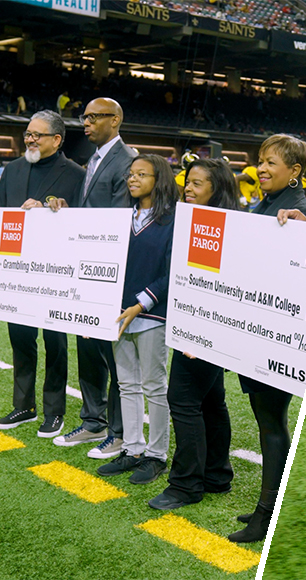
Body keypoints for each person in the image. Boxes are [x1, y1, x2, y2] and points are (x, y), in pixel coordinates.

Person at [228, 134, 306, 544]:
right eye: (260, 161)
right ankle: (268, 504)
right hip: (258, 333)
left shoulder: (297, 212)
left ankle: (266, 514)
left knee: (272, 424)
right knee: (266, 422)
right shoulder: (265, 204)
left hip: (276, 338)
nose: (261, 169)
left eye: (272, 163)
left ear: (295, 172)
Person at [149, 158, 243, 510]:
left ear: (215, 190)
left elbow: (220, 285)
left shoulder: (218, 224)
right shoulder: (201, 220)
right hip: (197, 327)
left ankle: (186, 485)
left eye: (198, 184)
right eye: (188, 182)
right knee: (211, 400)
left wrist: (200, 331)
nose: (188, 188)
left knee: (183, 401)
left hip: (201, 330)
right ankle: (217, 474)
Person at [50, 98, 137, 459]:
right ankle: (92, 420)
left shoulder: (126, 160)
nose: (85, 123)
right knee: (87, 347)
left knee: (113, 356)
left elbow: (117, 219)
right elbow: (91, 212)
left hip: (110, 272)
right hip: (88, 269)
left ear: (114, 120)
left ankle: (118, 432)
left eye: (93, 117)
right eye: (83, 117)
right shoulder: (97, 157)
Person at [96, 154, 178, 485]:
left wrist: (141, 304)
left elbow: (172, 271)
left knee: (154, 386)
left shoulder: (173, 219)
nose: (133, 179)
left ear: (159, 180)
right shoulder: (121, 218)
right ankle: (132, 448)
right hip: (118, 314)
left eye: (141, 174)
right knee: (126, 384)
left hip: (151, 314)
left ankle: (157, 455)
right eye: (131, 174)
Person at [0, 110, 82, 438]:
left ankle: (54, 410)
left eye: (38, 135)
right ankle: (24, 405)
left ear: (57, 140)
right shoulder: (13, 169)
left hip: (55, 273)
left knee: (55, 342)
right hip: (17, 271)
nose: (30, 139)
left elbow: (83, 222)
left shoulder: (75, 175)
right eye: (28, 134)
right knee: (19, 337)